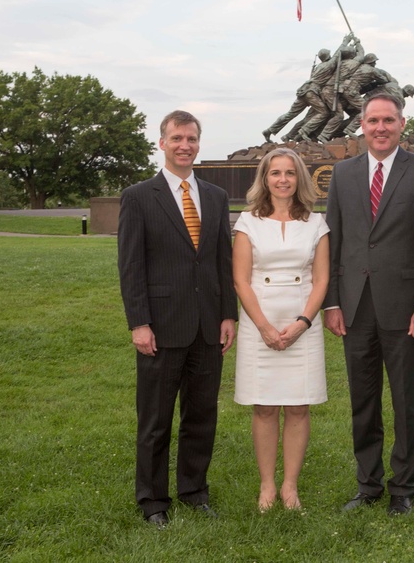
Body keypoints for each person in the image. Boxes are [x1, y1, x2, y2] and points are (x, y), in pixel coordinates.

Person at [323, 91, 414, 516]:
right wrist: (332, 303)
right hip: (355, 308)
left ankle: (403, 487)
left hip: (406, 308)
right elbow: (334, 241)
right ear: (362, 124)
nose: (380, 128)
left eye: (388, 121)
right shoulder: (343, 174)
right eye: (372, 120)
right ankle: (368, 485)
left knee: (405, 400)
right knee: (363, 400)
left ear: (402, 125)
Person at [117, 110, 238, 527]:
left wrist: (228, 315)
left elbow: (223, 260)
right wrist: (139, 322)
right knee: (155, 419)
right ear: (162, 143)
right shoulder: (138, 197)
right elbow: (131, 266)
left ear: (198, 144)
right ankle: (152, 501)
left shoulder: (217, 197)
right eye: (177, 138)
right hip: (161, 327)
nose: (184, 145)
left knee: (201, 415)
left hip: (208, 326)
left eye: (191, 138)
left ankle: (194, 490)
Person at [232, 148, 331, 511]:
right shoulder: (247, 222)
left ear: (300, 178)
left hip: (303, 321)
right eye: (276, 173)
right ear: (265, 178)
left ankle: (290, 486)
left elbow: (321, 279)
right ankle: (267, 486)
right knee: (264, 408)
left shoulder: (316, 223)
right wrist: (264, 327)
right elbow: (241, 281)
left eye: (290, 173)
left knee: (299, 408)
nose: (283, 179)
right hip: (260, 322)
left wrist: (303, 323)